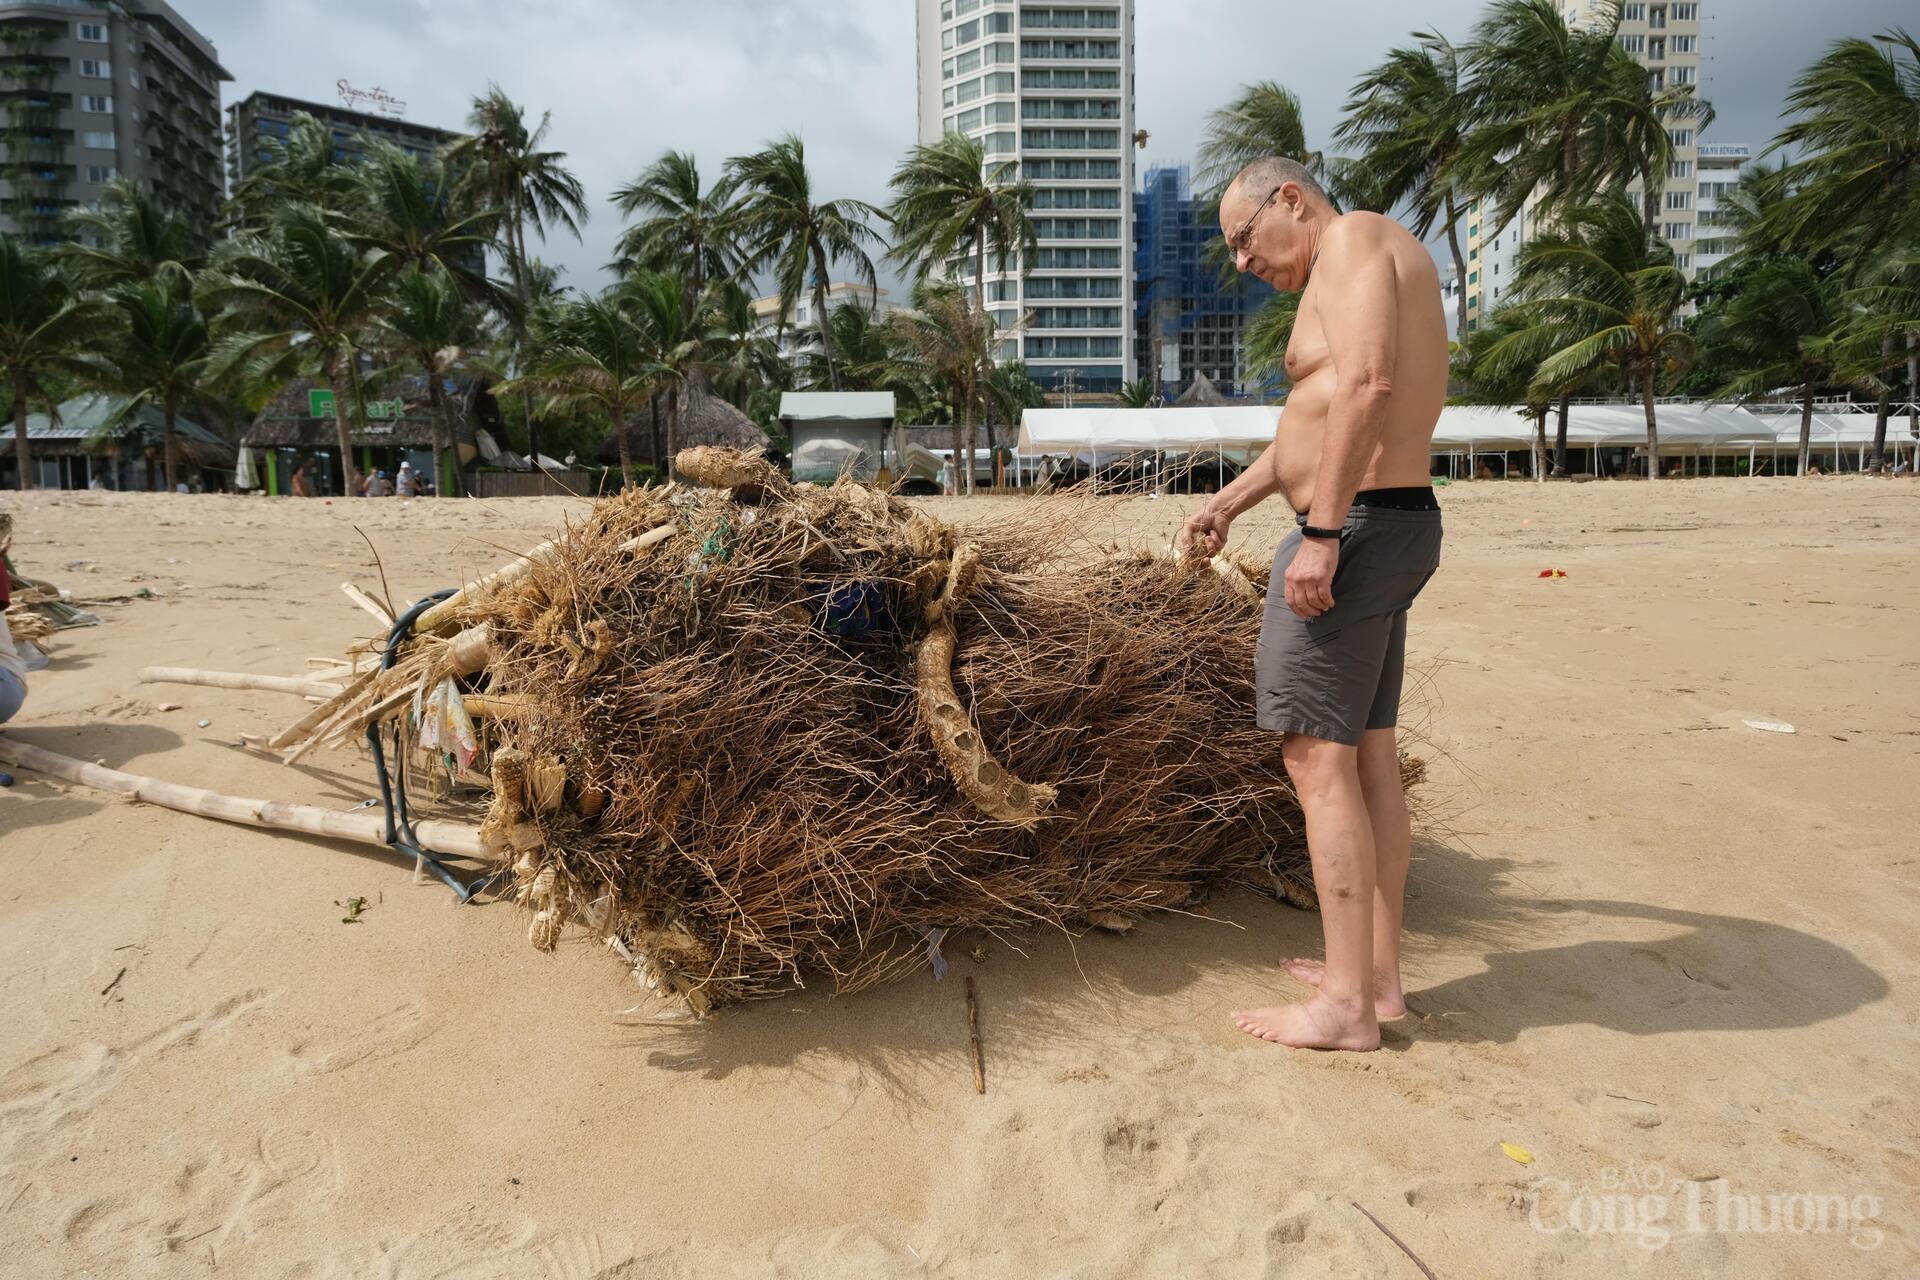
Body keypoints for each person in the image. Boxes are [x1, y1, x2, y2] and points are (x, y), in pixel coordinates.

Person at [1179, 156, 1448, 1052]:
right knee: (1368, 753)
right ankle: (1373, 976)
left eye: (1245, 240)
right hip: (1385, 522)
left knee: (1313, 759)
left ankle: (1344, 1008)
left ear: (1289, 198)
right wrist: (1228, 503)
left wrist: (1324, 532)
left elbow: (1370, 385)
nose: (1246, 264)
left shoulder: (1356, 238)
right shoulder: (1356, 259)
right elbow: (1319, 417)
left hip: (1358, 531)